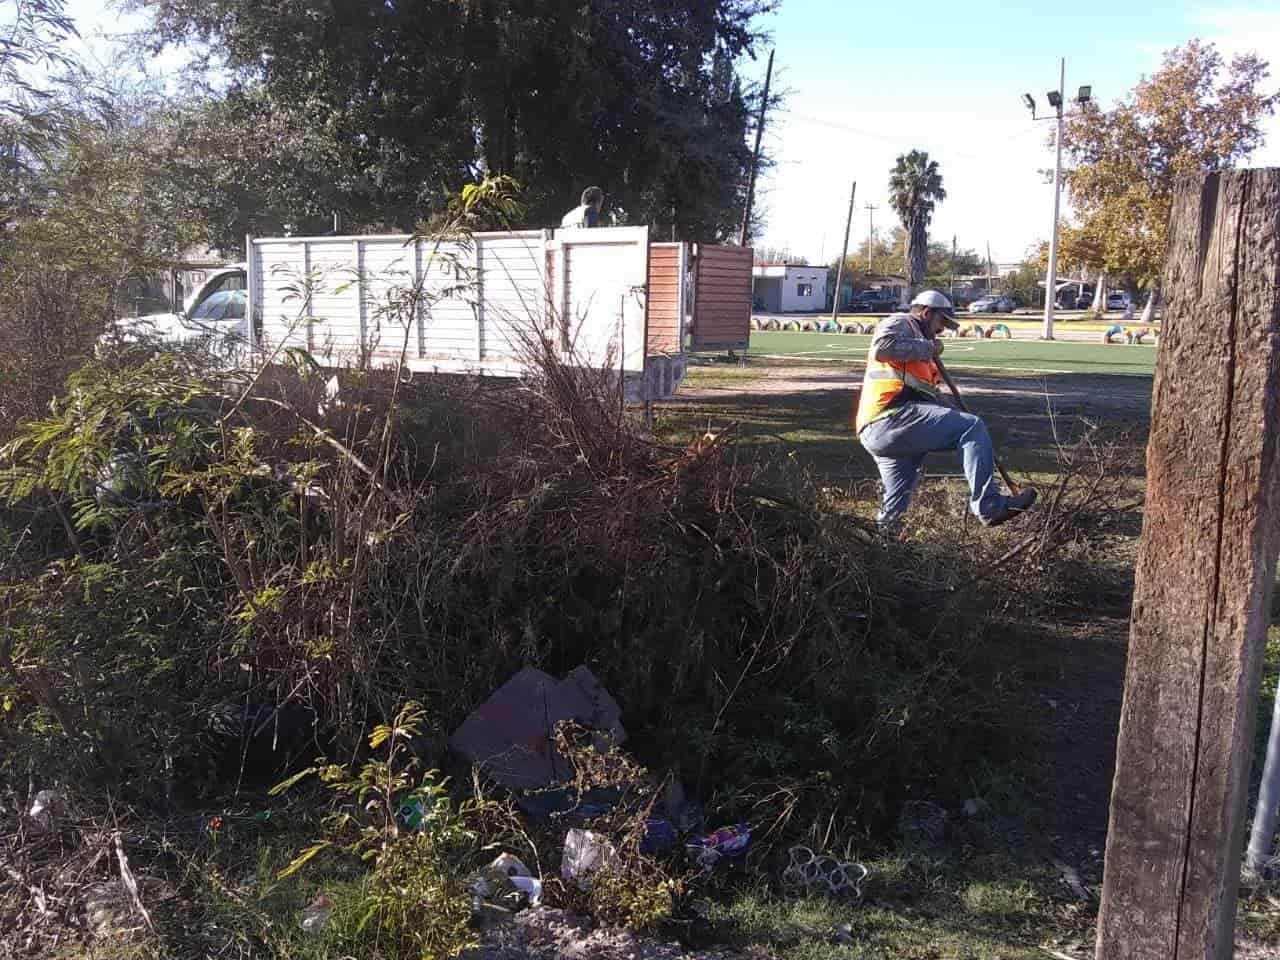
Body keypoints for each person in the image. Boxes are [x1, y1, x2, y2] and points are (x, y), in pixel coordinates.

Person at [854, 289, 1036, 530]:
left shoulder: (922, 353)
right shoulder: (901, 322)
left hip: (883, 431)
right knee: (971, 427)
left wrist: (953, 409)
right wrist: (928, 347)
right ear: (927, 313)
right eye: (941, 322)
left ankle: (882, 552)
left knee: (895, 505)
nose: (942, 330)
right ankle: (989, 505)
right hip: (890, 416)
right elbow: (882, 348)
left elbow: (930, 397)